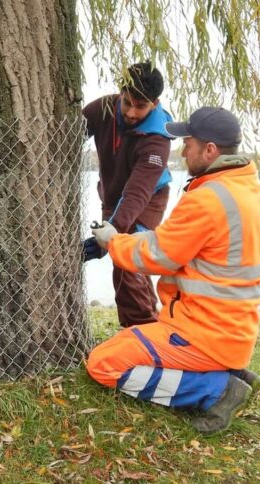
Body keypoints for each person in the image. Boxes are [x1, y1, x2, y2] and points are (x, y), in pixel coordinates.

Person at [85, 107, 260, 434]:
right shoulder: (246, 188)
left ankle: (217, 390)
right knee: (126, 341)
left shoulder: (208, 199)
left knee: (103, 364)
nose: (183, 152)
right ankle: (228, 371)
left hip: (201, 334)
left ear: (209, 150)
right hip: (229, 331)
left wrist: (112, 241)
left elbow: (157, 255)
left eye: (188, 144)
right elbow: (172, 243)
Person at [82, 61, 174, 328]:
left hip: (148, 198)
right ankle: (153, 327)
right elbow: (68, 134)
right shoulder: (103, 108)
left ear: (155, 104)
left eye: (140, 106)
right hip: (112, 194)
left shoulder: (157, 139)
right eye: (127, 103)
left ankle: (141, 329)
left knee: (128, 260)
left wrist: (112, 234)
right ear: (120, 94)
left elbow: (137, 193)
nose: (131, 112)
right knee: (126, 257)